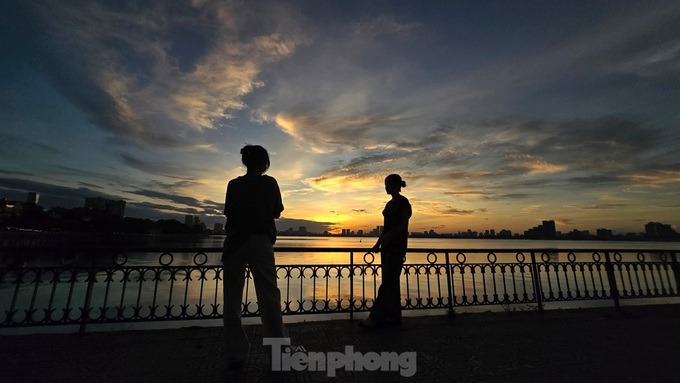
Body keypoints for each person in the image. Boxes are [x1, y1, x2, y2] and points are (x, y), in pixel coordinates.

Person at [222, 144, 287, 375]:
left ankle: (235, 353)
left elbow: (230, 212)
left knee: (232, 297)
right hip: (260, 241)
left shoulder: (234, 184)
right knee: (269, 296)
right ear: (264, 163)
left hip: (234, 242)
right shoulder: (270, 183)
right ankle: (278, 355)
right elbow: (277, 211)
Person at [360, 174, 412, 329]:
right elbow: (385, 228)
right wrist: (378, 244)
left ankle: (375, 317)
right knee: (392, 284)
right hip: (387, 248)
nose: (385, 187)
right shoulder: (389, 205)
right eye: (385, 184)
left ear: (396, 185)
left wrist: (388, 237)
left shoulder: (404, 203)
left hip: (397, 248)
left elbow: (403, 225)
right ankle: (394, 317)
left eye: (388, 184)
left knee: (388, 283)